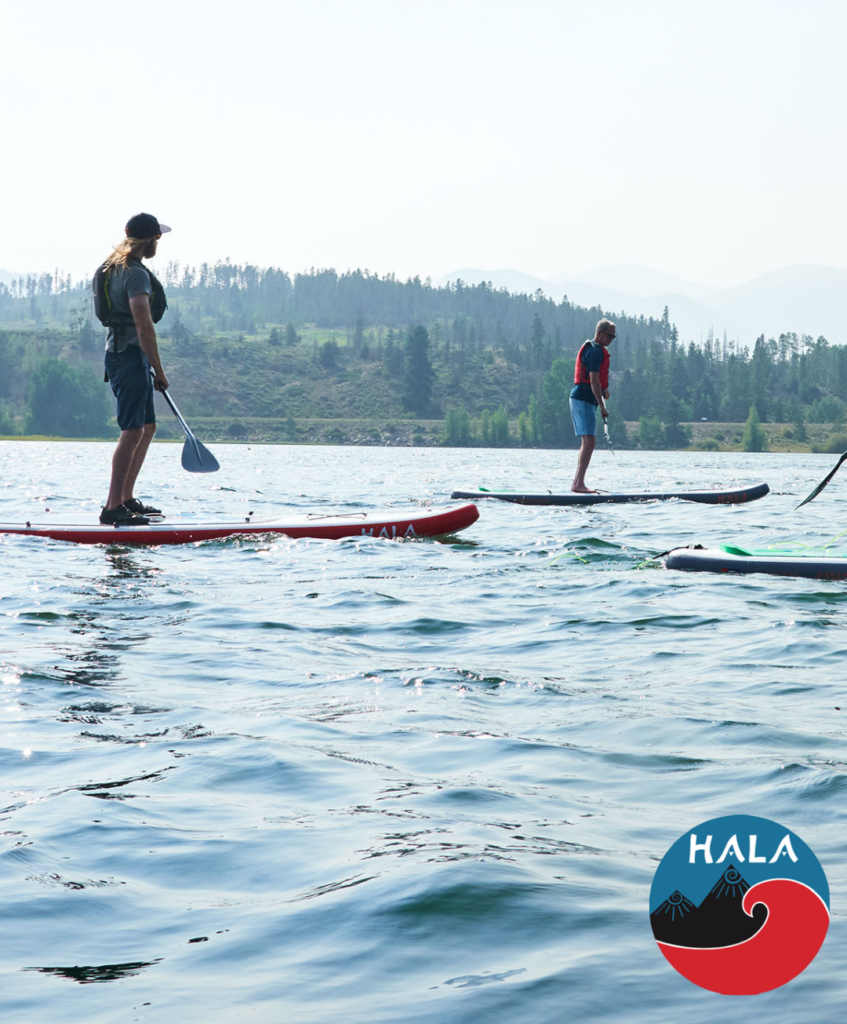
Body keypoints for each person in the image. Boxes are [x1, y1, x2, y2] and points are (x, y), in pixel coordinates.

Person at [97, 213, 171, 525]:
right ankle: (112, 506)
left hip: (125, 355)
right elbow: (144, 325)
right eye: (158, 237)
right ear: (150, 239)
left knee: (147, 427)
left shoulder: (111, 267)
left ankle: (126, 499)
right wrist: (160, 370)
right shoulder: (134, 274)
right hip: (127, 357)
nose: (159, 242)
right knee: (132, 431)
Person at [570, 318, 615, 493]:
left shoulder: (597, 350)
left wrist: (604, 391)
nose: (611, 339)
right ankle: (578, 484)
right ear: (599, 333)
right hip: (582, 399)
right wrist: (602, 406)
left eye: (614, 337)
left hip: (584, 399)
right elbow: (593, 380)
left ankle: (577, 483)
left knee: (588, 442)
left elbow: (598, 382)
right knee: (589, 442)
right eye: (609, 336)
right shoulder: (595, 352)